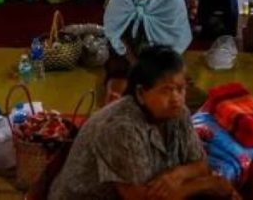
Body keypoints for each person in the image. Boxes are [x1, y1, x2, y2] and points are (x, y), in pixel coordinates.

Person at [49, 46, 234, 200]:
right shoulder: (121, 128)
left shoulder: (179, 113)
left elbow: (200, 165)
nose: (176, 98)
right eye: (166, 90)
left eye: (180, 89)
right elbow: (142, 198)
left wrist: (177, 175)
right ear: (140, 93)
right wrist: (207, 184)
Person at [103, 0, 192, 101]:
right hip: (127, 54)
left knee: (164, 87)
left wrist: (151, 66)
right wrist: (134, 62)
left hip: (161, 55)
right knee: (117, 88)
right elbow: (115, 32)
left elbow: (175, 38)